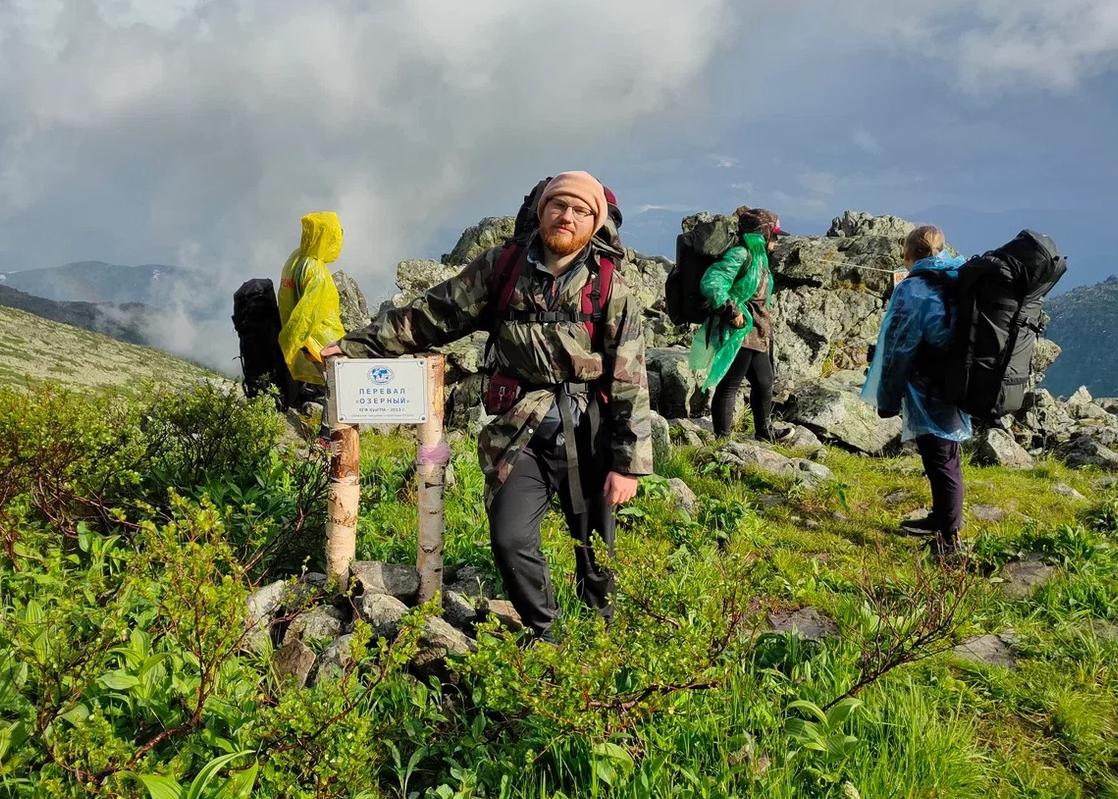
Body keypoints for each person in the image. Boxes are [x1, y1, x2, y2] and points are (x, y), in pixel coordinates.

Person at [321, 171, 653, 640]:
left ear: (595, 222)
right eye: (559, 205)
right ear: (542, 211)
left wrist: (628, 465)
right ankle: (546, 631)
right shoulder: (502, 268)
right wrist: (359, 345)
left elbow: (630, 379)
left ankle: (600, 641)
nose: (568, 216)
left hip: (589, 431)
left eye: (581, 211)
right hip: (520, 431)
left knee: (596, 548)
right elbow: (435, 314)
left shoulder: (608, 286)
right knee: (510, 537)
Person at [861, 225, 971, 560]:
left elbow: (898, 347)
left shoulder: (914, 289)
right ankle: (941, 519)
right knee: (944, 455)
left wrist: (887, 398)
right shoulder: (956, 276)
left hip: (928, 385)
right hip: (956, 379)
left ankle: (948, 541)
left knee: (941, 459)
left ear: (909, 254)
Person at [692, 206, 787, 441]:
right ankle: (722, 439)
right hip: (739, 330)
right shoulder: (741, 254)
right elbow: (712, 282)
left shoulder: (759, 257)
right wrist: (731, 310)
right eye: (773, 234)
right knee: (730, 384)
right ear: (762, 234)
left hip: (757, 331)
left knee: (764, 382)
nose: (776, 239)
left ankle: (764, 432)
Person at [277, 211, 346, 390]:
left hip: (302, 338)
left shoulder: (296, 259)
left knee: (330, 386)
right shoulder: (317, 272)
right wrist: (294, 343)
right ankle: (330, 419)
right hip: (319, 341)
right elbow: (307, 314)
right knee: (337, 386)